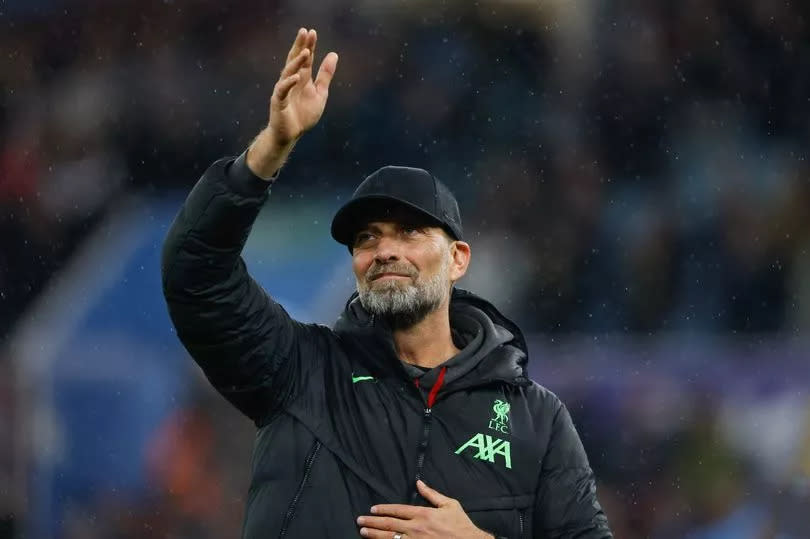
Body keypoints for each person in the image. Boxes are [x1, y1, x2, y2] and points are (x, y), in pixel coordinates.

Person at [161, 27, 613, 539]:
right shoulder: (298, 368)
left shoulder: (538, 420)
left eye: (410, 232)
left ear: (458, 259)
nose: (385, 251)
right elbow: (195, 273)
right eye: (367, 239)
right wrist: (272, 148)